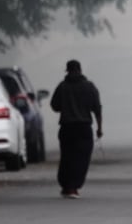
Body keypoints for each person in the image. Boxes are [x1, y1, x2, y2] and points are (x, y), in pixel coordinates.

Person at [50, 60, 102, 199]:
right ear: (80, 70)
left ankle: (66, 186)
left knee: (67, 157)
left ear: (68, 71)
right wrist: (99, 128)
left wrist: (67, 106)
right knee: (81, 159)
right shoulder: (89, 87)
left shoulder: (62, 87)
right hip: (83, 128)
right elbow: (97, 108)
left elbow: (54, 106)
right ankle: (73, 187)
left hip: (67, 128)